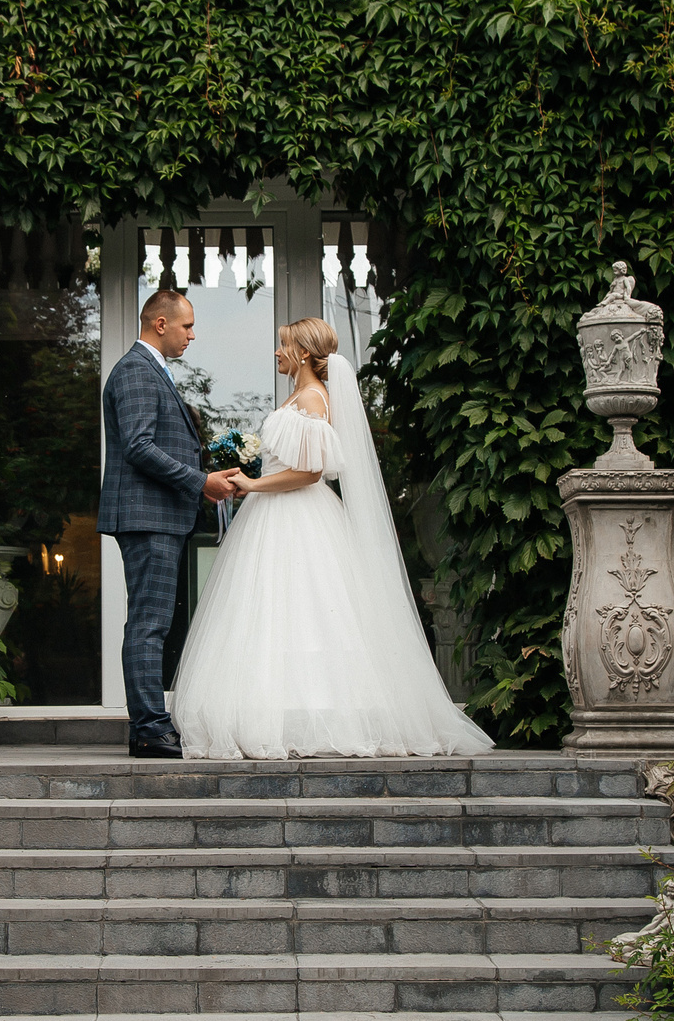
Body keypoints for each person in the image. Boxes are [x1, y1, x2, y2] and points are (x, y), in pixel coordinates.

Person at [172, 318, 494, 760]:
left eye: (283, 345)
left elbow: (310, 472)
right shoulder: (301, 395)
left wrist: (252, 484)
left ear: (303, 353)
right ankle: (289, 717)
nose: (277, 352)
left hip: (296, 513)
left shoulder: (312, 397)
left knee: (300, 613)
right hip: (278, 514)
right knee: (281, 614)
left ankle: (310, 722)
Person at [97, 288, 237, 758]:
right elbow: (138, 446)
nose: (192, 335)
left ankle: (151, 725)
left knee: (151, 622)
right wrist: (201, 482)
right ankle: (150, 729)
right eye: (187, 326)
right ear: (160, 324)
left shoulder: (150, 371)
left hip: (156, 516)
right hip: (147, 516)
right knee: (149, 624)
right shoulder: (136, 370)